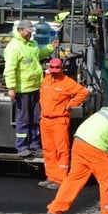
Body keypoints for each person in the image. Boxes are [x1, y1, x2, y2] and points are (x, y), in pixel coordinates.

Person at [3, 19, 59, 157]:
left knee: (35, 118)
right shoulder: (13, 47)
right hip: (23, 90)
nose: (30, 35)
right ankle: (22, 147)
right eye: (28, 32)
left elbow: (38, 55)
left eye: (31, 32)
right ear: (20, 30)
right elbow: (9, 70)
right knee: (24, 119)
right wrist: (11, 88)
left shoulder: (31, 44)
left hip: (35, 88)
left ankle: (34, 145)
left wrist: (50, 48)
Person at [38, 58, 89, 190]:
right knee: (48, 150)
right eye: (52, 68)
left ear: (61, 69)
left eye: (57, 69)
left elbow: (83, 92)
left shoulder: (67, 82)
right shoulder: (46, 80)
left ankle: (60, 179)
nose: (55, 71)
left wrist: (70, 105)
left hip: (59, 120)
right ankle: (50, 177)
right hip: (45, 120)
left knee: (61, 150)